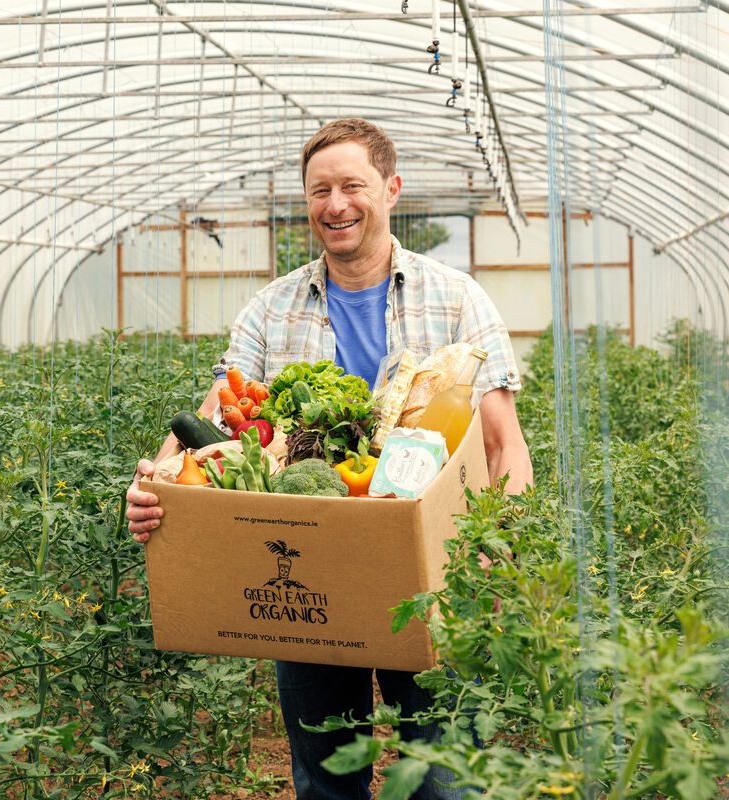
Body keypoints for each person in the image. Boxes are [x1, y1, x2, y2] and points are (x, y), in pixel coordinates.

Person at [124, 117, 532, 800]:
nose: (335, 205)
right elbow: (211, 418)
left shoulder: (457, 299)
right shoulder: (272, 307)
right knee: (324, 773)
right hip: (309, 570)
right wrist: (157, 483)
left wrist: (499, 547)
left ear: (391, 189)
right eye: (319, 191)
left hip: (435, 570)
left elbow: (502, 443)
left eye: (352, 186)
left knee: (440, 774)